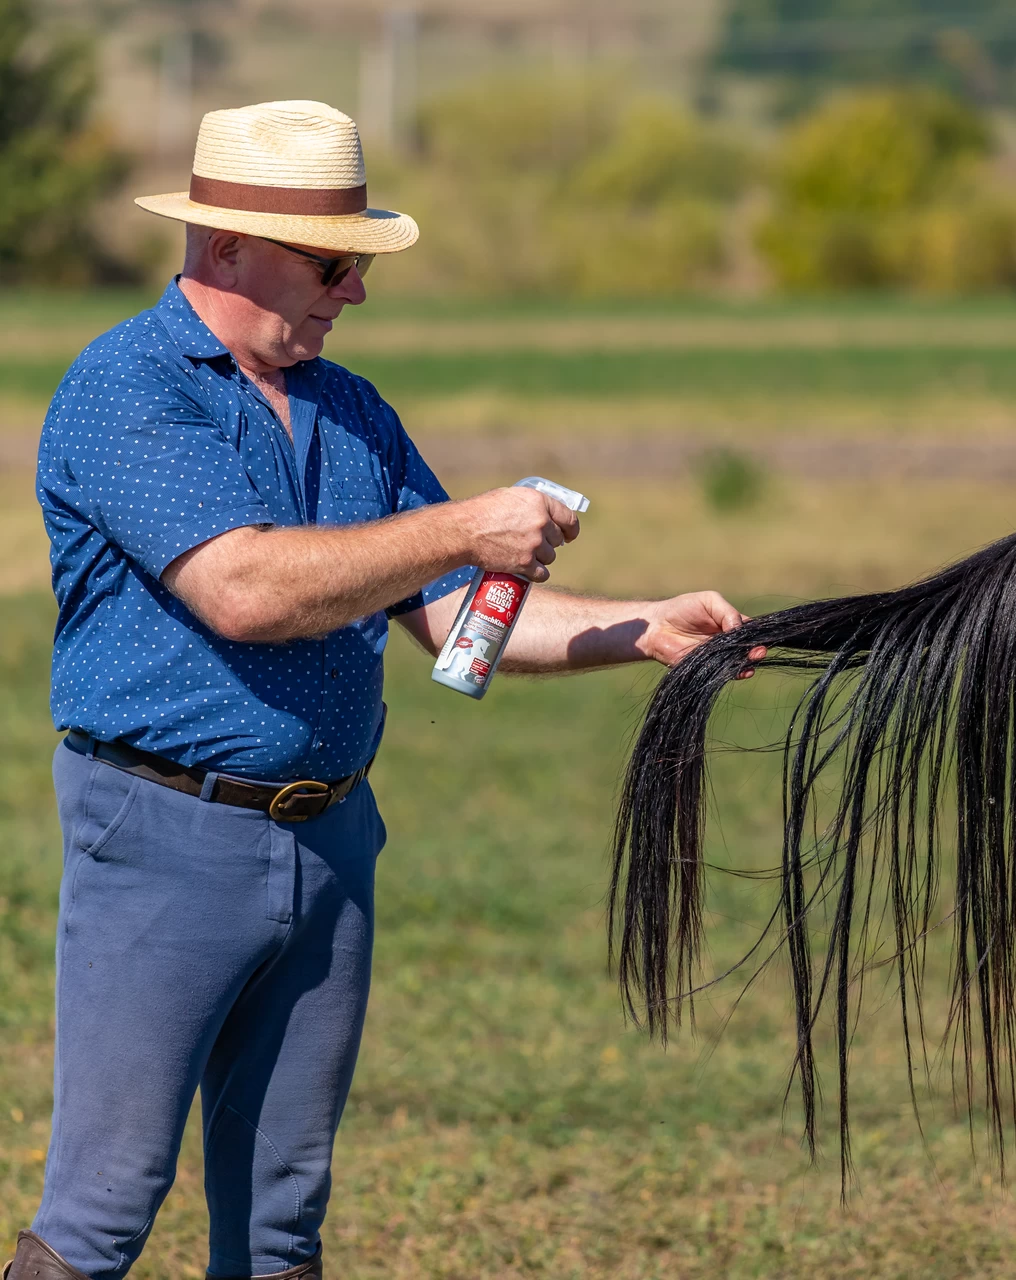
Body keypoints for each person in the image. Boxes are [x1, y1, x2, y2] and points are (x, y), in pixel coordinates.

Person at [13, 100, 763, 1280]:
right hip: (163, 834)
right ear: (225, 248)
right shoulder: (128, 390)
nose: (352, 289)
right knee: (104, 1210)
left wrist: (639, 627)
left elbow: (453, 612)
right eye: (333, 261)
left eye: (357, 262)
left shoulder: (352, 410)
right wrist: (464, 522)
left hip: (330, 841)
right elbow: (247, 588)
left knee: (280, 1227)